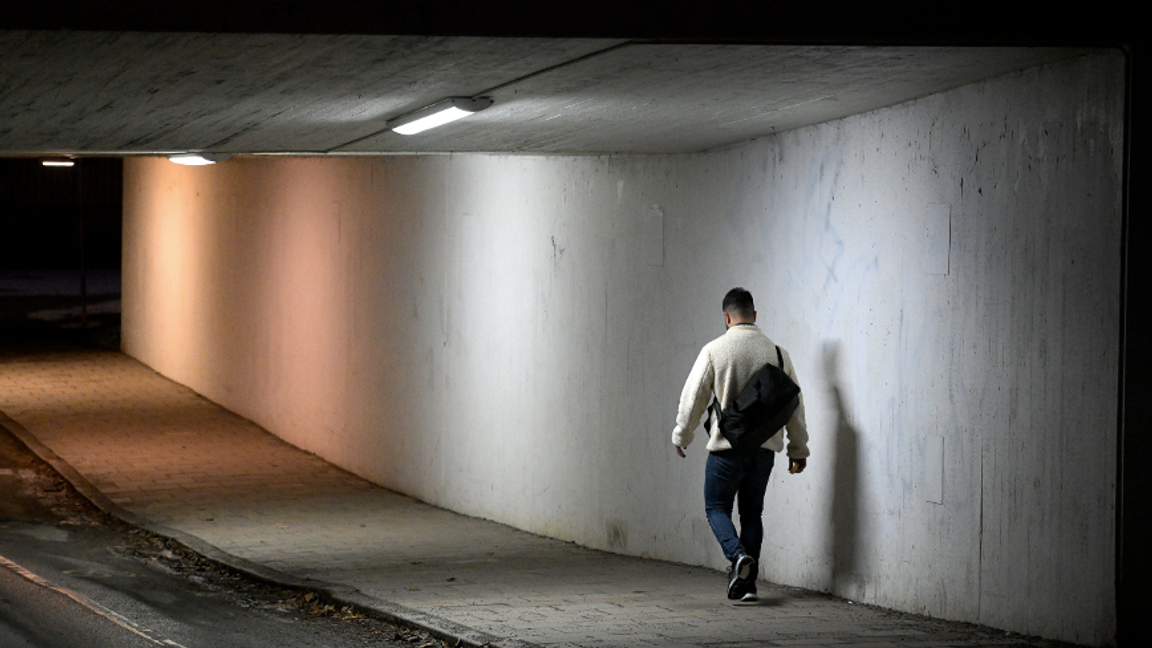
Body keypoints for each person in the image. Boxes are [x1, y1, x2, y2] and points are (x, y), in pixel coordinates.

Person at [672, 287, 809, 602]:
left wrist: (683, 434)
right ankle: (747, 585)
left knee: (716, 507)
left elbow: (694, 397)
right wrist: (798, 450)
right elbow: (794, 405)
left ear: (726, 317)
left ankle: (737, 557)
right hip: (763, 451)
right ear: (755, 316)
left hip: (726, 449)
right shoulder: (777, 353)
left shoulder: (715, 350)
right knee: (752, 514)